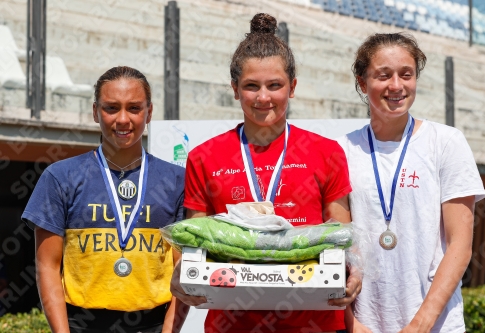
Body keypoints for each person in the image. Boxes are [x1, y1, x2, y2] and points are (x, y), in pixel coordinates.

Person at [170, 13, 361, 333]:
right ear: (234, 89)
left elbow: (340, 234)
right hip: (232, 324)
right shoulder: (204, 157)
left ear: (293, 87)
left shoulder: (326, 152)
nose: (263, 97)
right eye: (250, 86)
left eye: (275, 85)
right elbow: (194, 239)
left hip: (315, 322)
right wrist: (182, 270)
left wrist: (353, 270)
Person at [337, 33, 485, 333]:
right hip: (364, 325)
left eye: (406, 74)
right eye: (384, 75)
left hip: (436, 325)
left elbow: (461, 245)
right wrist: (352, 324)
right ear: (363, 83)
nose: (396, 86)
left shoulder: (446, 142)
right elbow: (338, 246)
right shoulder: (341, 151)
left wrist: (420, 324)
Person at [22, 66, 189, 333]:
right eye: (111, 108)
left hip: (153, 325)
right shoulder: (60, 177)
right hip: (81, 325)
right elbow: (47, 268)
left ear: (149, 113)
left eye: (134, 108)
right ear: (94, 111)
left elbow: (183, 270)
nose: (123, 119)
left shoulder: (177, 180)